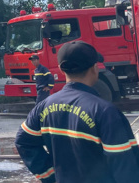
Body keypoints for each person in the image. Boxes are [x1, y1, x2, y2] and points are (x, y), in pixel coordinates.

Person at [15, 41, 139, 183]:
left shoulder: (43, 107)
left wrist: (50, 176)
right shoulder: (106, 112)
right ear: (94, 68)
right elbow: (126, 167)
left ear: (62, 69)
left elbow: (23, 142)